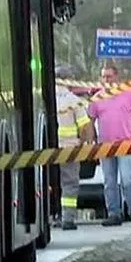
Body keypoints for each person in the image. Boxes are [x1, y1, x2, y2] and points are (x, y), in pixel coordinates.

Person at [87, 64, 131, 227]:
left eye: (109, 76)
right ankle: (114, 213)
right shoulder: (97, 98)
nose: (106, 80)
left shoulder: (129, 94)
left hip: (125, 144)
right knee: (110, 181)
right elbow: (90, 120)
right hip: (105, 146)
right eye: (104, 77)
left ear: (116, 77)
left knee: (127, 179)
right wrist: (92, 142)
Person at [54, 64, 94, 231]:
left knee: (53, 184)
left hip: (48, 151)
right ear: (68, 81)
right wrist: (84, 143)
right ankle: (67, 219)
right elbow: (85, 126)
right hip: (70, 149)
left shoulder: (44, 97)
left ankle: (53, 216)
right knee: (69, 184)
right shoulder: (73, 100)